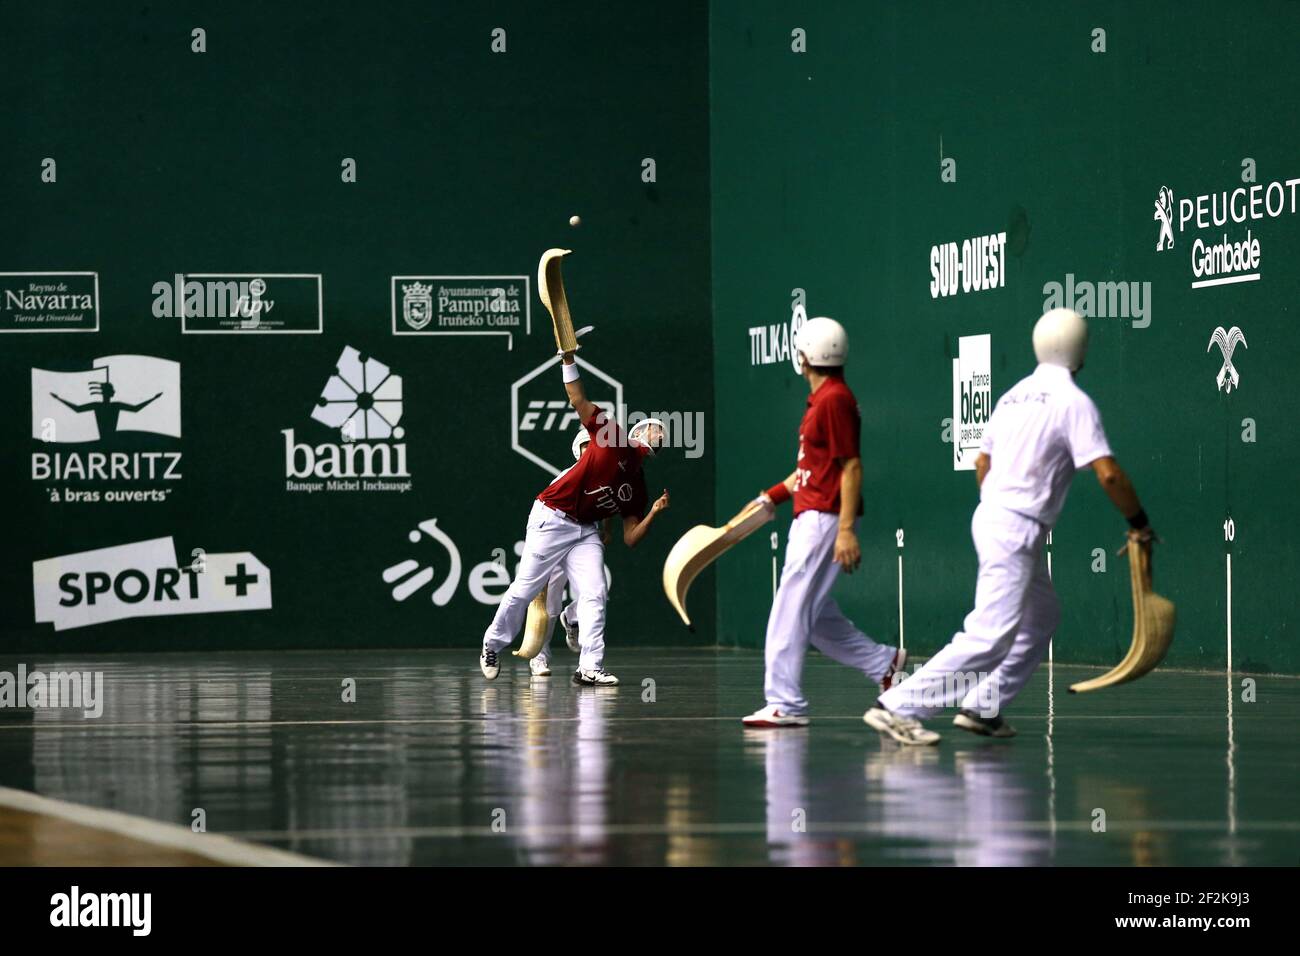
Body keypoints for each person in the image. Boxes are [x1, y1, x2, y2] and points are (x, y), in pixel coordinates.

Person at [865, 308, 1154, 745]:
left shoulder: (1012, 396)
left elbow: (982, 462)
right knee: (989, 635)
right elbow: (1109, 474)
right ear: (1080, 350)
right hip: (1016, 527)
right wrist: (1139, 523)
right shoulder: (1073, 402)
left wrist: (1003, 504)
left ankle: (983, 706)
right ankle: (896, 706)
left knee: (1042, 617)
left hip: (996, 518)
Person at [742, 315, 906, 728]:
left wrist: (846, 529)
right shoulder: (824, 400)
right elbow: (810, 469)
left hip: (824, 518)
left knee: (789, 609)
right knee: (812, 616)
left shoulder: (833, 400)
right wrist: (771, 497)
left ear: (804, 358)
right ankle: (884, 664)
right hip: (813, 513)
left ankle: (785, 702)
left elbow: (851, 467)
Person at [480, 346, 670, 686]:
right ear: (637, 433)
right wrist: (568, 360)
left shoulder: (638, 488)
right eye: (656, 428)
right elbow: (578, 399)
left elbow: (630, 537)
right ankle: (492, 644)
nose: (661, 433)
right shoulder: (611, 436)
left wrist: (653, 513)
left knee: (595, 592)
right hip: (551, 518)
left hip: (585, 531)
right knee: (524, 589)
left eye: (663, 433)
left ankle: (589, 667)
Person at [529, 429, 613, 678]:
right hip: (555, 539)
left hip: (582, 540)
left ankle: (575, 621)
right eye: (586, 446)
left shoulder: (606, 479)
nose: (591, 450)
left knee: (595, 592)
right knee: (550, 603)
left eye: (595, 446)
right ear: (578, 451)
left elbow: (608, 504)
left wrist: (607, 530)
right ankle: (539, 657)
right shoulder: (566, 477)